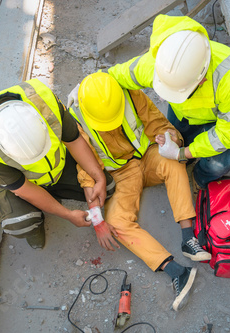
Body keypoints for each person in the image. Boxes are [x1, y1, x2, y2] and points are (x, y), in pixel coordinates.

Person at [67, 72, 211, 311]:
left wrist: (169, 139)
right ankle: (177, 271)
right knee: (115, 223)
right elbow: (86, 174)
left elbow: (160, 123)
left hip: (149, 155)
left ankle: (189, 239)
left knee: (175, 163)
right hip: (122, 174)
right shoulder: (76, 121)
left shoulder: (128, 92)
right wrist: (97, 219)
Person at [0, 79, 114, 249]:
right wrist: (68, 214)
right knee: (20, 223)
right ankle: (35, 222)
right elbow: (25, 189)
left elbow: (74, 140)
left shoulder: (43, 100)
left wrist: (98, 178)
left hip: (57, 167)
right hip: (19, 184)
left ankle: (51, 195)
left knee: (108, 187)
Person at [108, 14, 230, 193]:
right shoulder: (160, 63)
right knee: (179, 137)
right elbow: (119, 75)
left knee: (219, 163)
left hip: (218, 119)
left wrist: (182, 153)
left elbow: (227, 134)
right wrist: (90, 86)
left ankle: (201, 179)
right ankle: (186, 160)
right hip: (182, 113)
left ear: (202, 80)